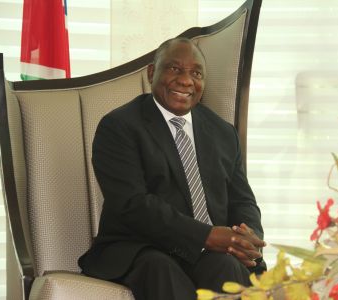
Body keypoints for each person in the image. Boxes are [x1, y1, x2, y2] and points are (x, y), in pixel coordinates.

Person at [78, 37, 266, 300]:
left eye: (196, 73)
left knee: (226, 266)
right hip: (139, 246)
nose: (186, 81)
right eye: (175, 69)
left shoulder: (223, 133)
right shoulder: (119, 127)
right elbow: (133, 205)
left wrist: (249, 237)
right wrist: (206, 236)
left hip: (205, 252)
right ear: (152, 73)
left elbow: (243, 200)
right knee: (162, 269)